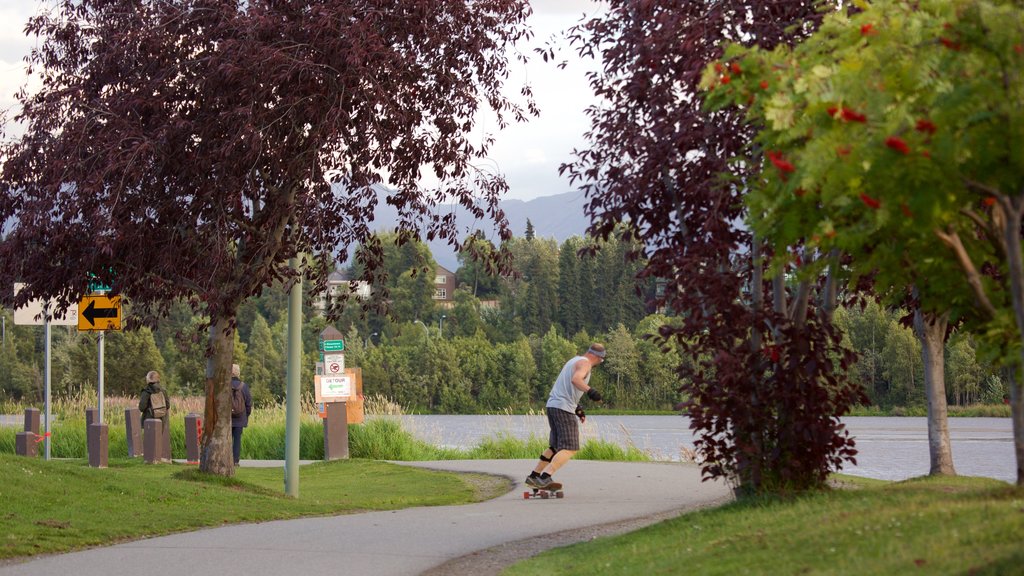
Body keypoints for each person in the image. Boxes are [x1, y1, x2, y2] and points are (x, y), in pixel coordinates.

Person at [525, 343, 606, 490]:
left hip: (554, 405)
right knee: (570, 447)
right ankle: (545, 478)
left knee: (556, 447)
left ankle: (534, 476)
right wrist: (591, 392)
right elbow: (576, 380)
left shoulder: (573, 360)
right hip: (563, 408)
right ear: (597, 357)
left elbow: (566, 387)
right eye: (601, 361)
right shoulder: (585, 363)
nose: (599, 364)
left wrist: (577, 408)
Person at [230, 363, 253, 466]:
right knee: (237, 440)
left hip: (227, 418)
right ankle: (235, 461)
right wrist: (246, 416)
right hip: (240, 418)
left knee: (227, 440)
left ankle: (226, 460)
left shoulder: (225, 385)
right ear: (238, 373)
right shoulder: (244, 386)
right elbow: (248, 404)